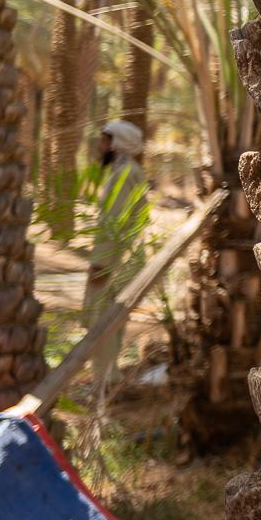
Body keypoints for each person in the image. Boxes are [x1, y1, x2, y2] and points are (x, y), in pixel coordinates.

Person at [87, 119, 151, 390]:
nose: (100, 147)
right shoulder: (127, 171)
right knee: (112, 322)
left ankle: (103, 383)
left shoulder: (124, 174)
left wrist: (101, 265)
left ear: (117, 144)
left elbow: (115, 225)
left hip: (114, 260)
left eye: (105, 141)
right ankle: (108, 379)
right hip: (123, 260)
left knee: (101, 321)